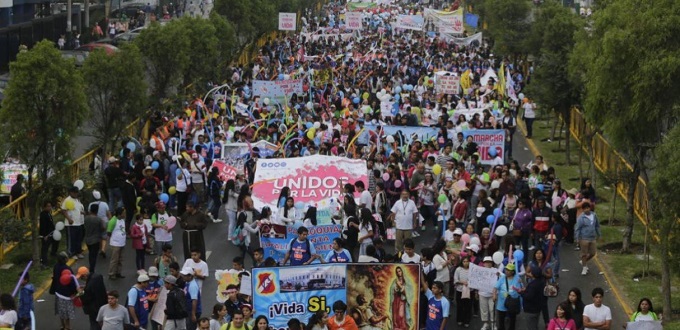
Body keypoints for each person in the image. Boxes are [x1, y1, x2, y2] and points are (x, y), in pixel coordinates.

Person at [493, 263, 522, 330]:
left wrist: (520, 288)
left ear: (512, 272)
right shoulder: (502, 278)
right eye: (506, 269)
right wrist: (494, 295)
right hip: (502, 303)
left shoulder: (517, 278)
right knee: (501, 320)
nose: (506, 271)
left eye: (509, 270)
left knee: (512, 320)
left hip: (513, 303)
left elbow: (522, 289)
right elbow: (495, 288)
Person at [574, 202, 601, 275]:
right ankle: (584, 267)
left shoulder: (594, 215)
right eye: (585, 208)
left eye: (588, 208)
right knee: (584, 254)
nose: (587, 210)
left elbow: (597, 225)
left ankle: (584, 261)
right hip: (584, 238)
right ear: (583, 210)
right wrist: (577, 238)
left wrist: (599, 234)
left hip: (592, 238)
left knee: (593, 253)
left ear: (590, 208)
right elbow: (578, 228)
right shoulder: (581, 218)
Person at [62, 186, 85, 259]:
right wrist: (69, 219)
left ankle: (78, 252)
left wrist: (82, 212)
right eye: (75, 192)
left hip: (79, 222)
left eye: (77, 192)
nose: (76, 194)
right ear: (71, 192)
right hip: (71, 224)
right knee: (72, 239)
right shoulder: (67, 200)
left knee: (78, 238)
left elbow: (77, 209)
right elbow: (63, 210)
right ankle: (71, 253)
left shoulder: (77, 200)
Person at [89, 190, 112, 258]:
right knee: (104, 237)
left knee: (98, 236)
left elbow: (90, 214)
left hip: (95, 222)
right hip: (105, 222)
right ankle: (103, 249)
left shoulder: (91, 205)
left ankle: (99, 249)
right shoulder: (104, 204)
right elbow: (108, 214)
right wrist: (110, 221)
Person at [107, 207, 127, 280]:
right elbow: (109, 232)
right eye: (123, 213)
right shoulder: (113, 221)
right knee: (114, 260)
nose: (125, 214)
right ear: (119, 214)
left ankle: (118, 272)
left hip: (122, 243)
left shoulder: (122, 220)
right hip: (115, 244)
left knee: (120, 259)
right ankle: (112, 273)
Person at [84, 204, 105, 272]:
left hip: (87, 239)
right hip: (95, 240)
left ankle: (91, 266)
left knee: (90, 254)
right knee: (94, 255)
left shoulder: (86, 218)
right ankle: (92, 269)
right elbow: (103, 228)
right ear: (97, 210)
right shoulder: (99, 219)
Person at [478, 257, 497, 330]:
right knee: (484, 310)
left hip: (492, 294)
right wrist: (477, 292)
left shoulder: (495, 271)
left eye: (489, 262)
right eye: (486, 262)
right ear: (483, 263)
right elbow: (476, 281)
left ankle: (493, 324)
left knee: (492, 309)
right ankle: (485, 323)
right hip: (482, 294)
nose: (487, 263)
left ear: (492, 263)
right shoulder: (480, 271)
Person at [453, 256, 473, 327]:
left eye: (467, 261)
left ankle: (467, 321)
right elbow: (455, 280)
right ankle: (459, 319)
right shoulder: (458, 269)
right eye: (464, 261)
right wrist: (462, 282)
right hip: (460, 290)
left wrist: (469, 283)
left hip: (470, 290)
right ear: (462, 262)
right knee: (460, 306)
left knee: (468, 306)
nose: (465, 263)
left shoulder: (472, 270)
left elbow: (474, 280)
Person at [39, 201, 59, 267]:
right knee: (45, 248)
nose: (50, 208)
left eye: (50, 206)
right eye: (48, 206)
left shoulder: (49, 213)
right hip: (46, 235)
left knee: (56, 241)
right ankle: (44, 262)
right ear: (44, 207)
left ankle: (53, 253)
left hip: (52, 233)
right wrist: (45, 235)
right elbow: (43, 226)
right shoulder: (43, 215)